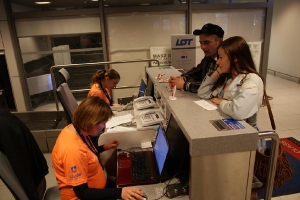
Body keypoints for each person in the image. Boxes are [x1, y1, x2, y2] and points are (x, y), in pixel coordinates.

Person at [52, 96, 145, 200]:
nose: (104, 127)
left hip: (98, 188)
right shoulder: (72, 150)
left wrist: (103, 147)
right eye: (103, 123)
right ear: (91, 122)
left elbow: (86, 153)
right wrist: (119, 193)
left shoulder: (76, 129)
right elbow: (83, 193)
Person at [198, 36, 265, 152]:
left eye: (221, 58)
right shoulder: (229, 77)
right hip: (227, 131)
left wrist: (222, 102)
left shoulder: (252, 80)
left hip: (245, 139)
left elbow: (238, 111)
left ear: (235, 58)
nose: (218, 61)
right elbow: (202, 93)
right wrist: (218, 71)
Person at [169, 23, 224, 93]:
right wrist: (182, 78)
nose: (202, 47)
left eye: (207, 43)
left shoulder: (227, 61)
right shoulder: (209, 56)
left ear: (220, 41)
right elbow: (198, 71)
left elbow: (216, 87)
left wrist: (186, 85)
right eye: (201, 43)